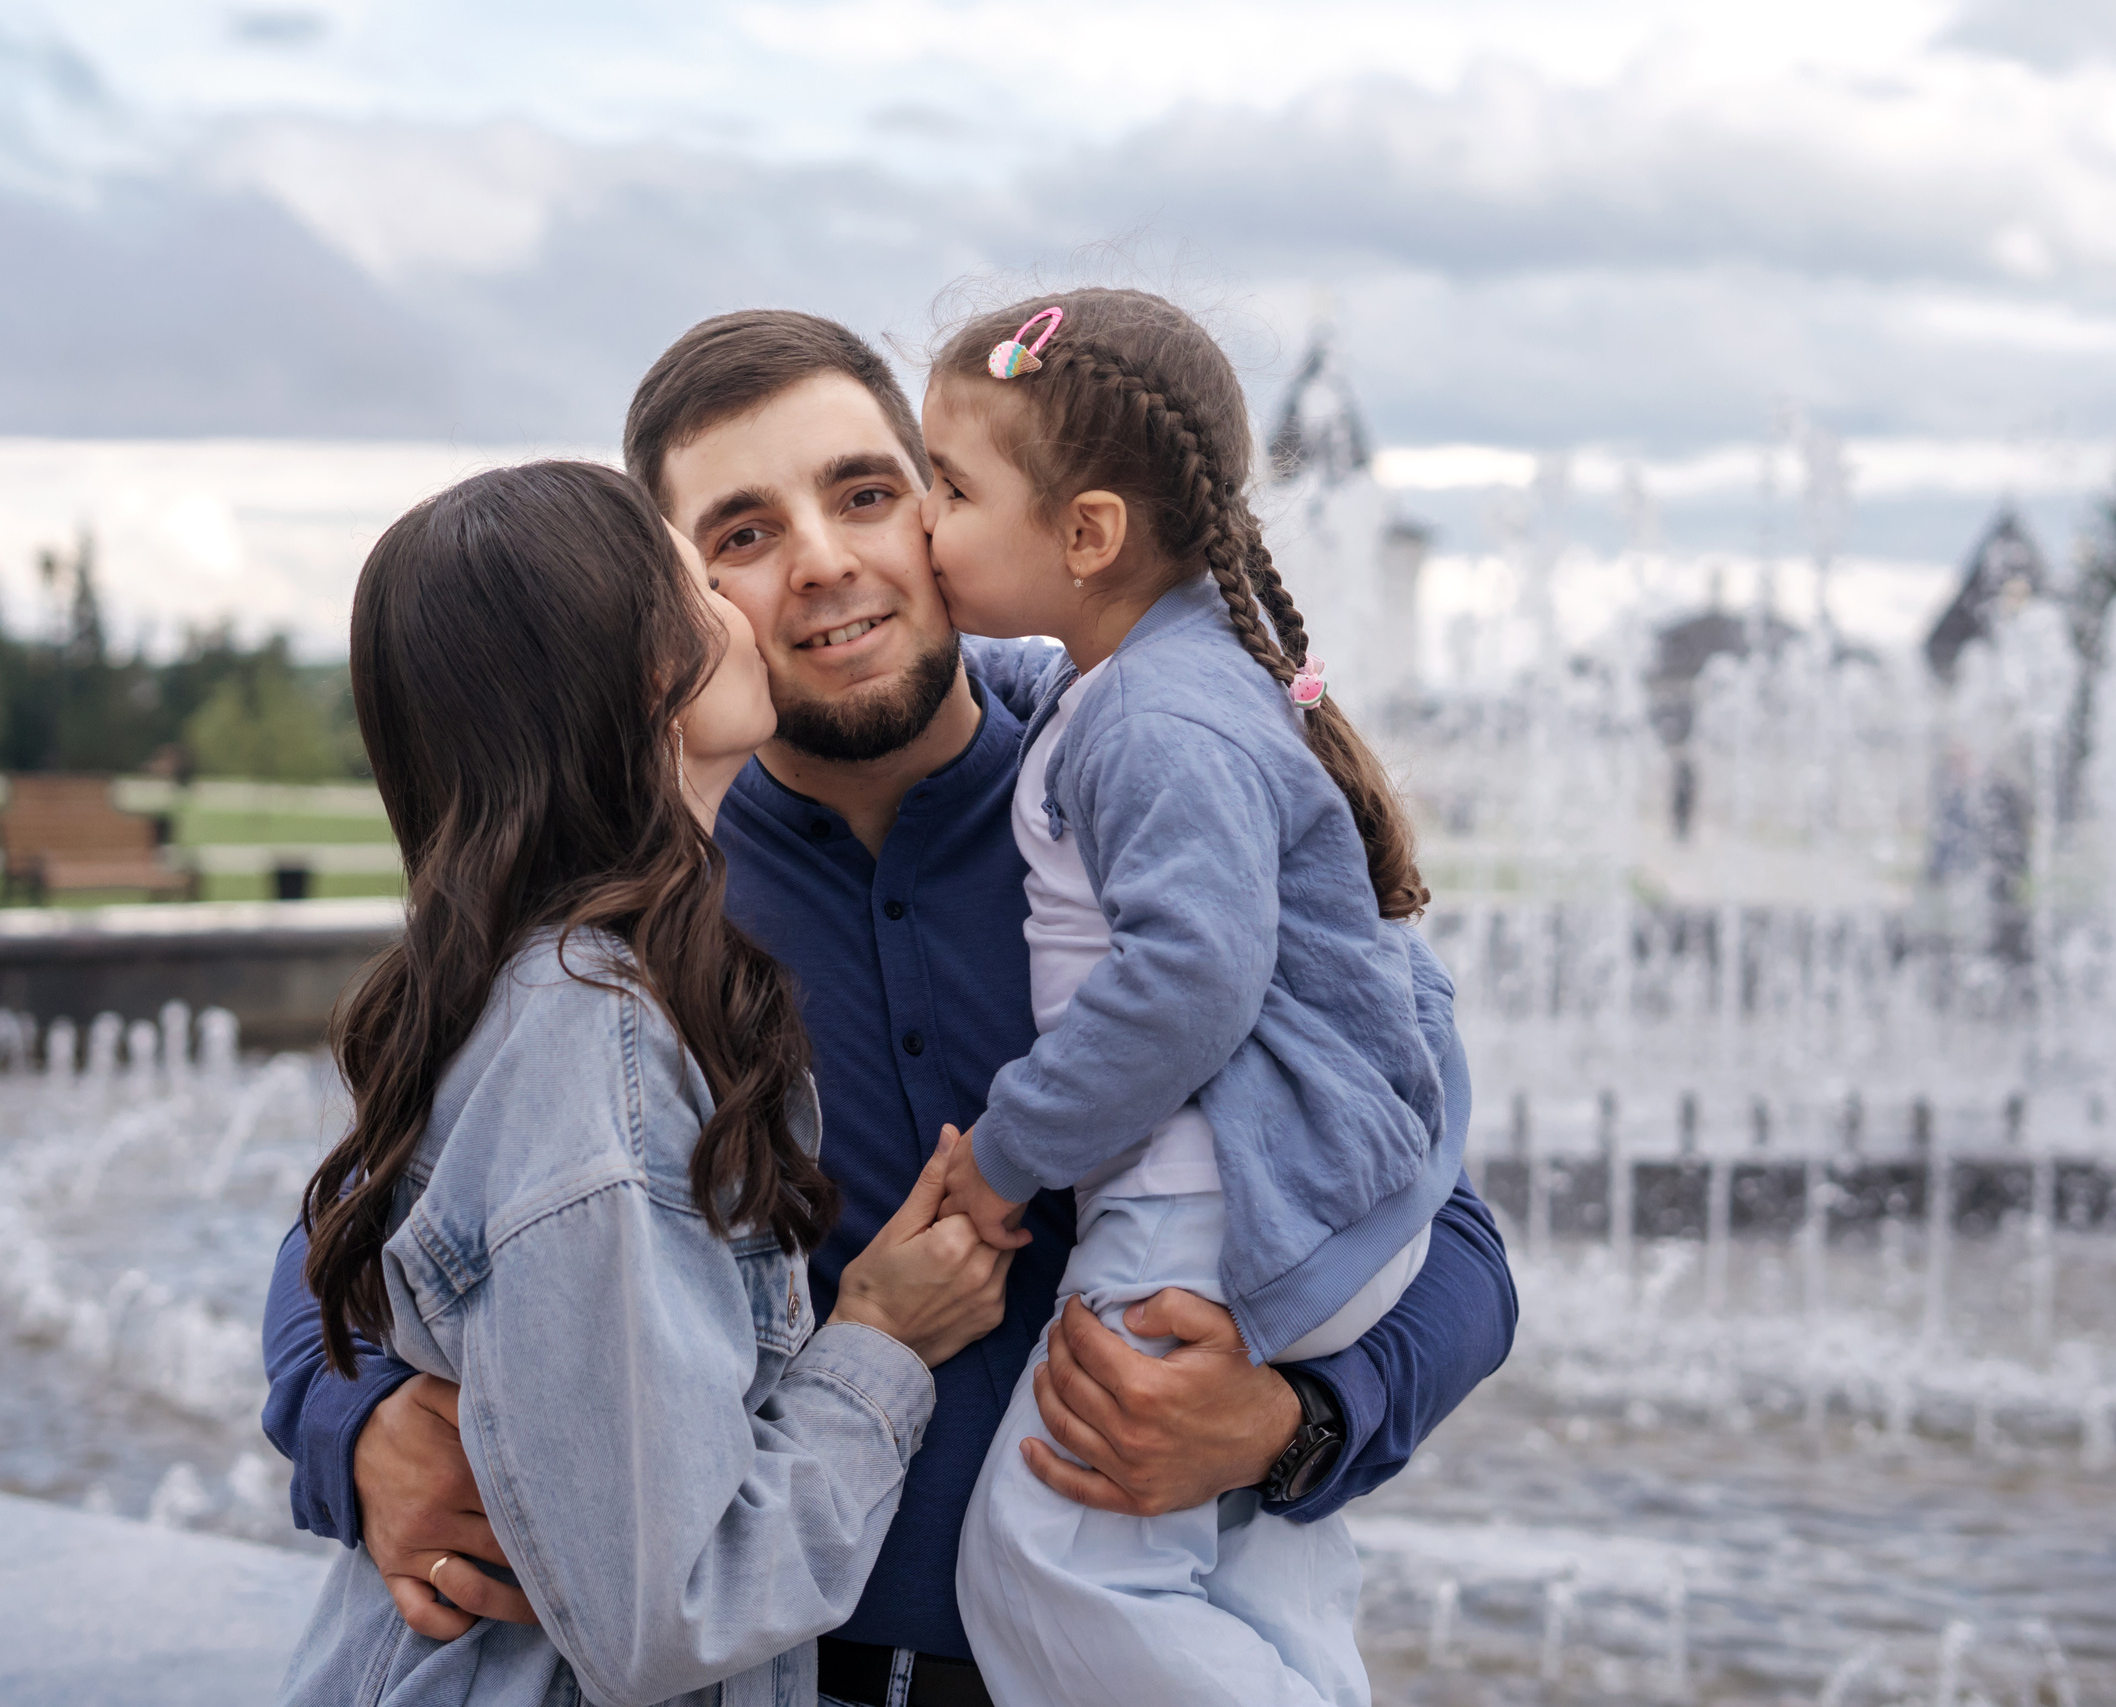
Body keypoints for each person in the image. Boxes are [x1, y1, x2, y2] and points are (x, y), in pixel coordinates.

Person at [262, 309, 1520, 1707]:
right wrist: (358, 1427)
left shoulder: (1148, 788)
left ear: (948, 503)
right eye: (742, 534)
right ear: (669, 605)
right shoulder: (624, 904)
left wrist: (1294, 1423)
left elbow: (1440, 1216)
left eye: (865, 493)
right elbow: (379, 1221)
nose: (822, 561)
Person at [277, 459, 1016, 1706]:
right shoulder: (595, 1047)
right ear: (638, 673)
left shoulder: (557, 988)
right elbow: (673, 1609)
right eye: (704, 581)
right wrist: (881, 1342)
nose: (747, 609)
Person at [922, 289, 1454, 1706]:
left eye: (949, 489)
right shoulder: (1157, 674)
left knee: (1049, 1567)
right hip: (1267, 1193)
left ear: (1087, 534)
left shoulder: (1156, 719)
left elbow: (1186, 982)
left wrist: (1007, 1152)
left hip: (1198, 1207)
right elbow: (994, 673)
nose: (920, 522)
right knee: (1247, 1578)